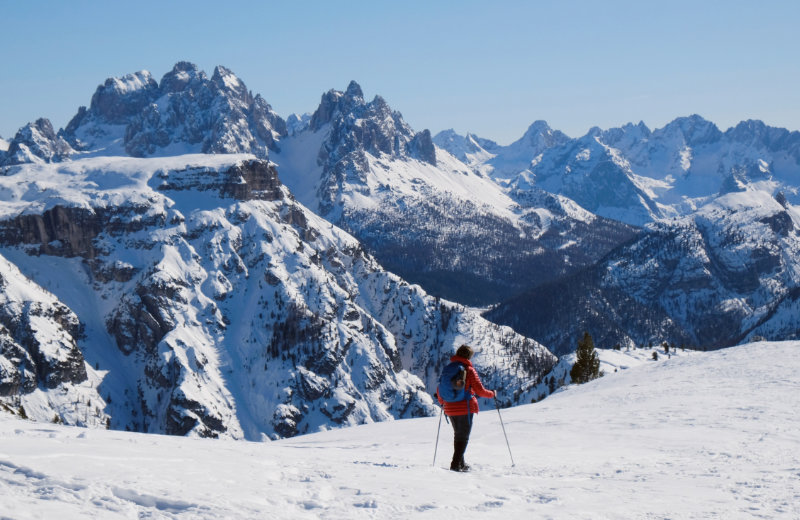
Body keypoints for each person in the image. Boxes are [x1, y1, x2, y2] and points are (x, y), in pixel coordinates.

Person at [436, 344, 496, 472]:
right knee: (463, 437)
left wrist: (443, 403)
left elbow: (440, 388)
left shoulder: (448, 369)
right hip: (465, 407)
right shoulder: (469, 370)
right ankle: (455, 464)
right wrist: (492, 394)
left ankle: (461, 464)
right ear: (469, 356)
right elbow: (480, 390)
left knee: (458, 435)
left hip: (449, 407)